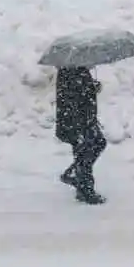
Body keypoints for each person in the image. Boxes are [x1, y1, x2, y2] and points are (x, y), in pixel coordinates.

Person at [55, 67, 108, 205]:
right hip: (76, 121)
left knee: (94, 145)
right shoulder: (70, 70)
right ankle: (85, 190)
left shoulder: (78, 69)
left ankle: (76, 176)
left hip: (82, 120)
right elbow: (72, 95)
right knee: (88, 148)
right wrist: (90, 89)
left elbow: (81, 91)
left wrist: (92, 87)